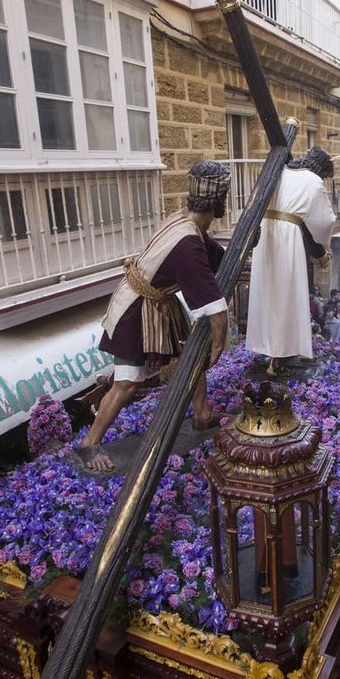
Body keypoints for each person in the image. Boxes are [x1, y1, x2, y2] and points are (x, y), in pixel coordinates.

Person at [78, 160, 231, 471]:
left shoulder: (185, 222)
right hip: (134, 311)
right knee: (127, 383)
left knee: (193, 354)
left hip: (148, 305)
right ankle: (88, 445)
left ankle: (202, 416)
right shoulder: (188, 243)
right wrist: (219, 342)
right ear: (218, 203)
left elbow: (213, 254)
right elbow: (215, 307)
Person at [246, 148, 336, 376]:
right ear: (321, 170)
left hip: (265, 234)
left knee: (268, 293)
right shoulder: (314, 182)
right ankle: (279, 356)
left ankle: (271, 348)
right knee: (287, 297)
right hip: (288, 240)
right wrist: (323, 248)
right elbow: (324, 222)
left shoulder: (280, 171)